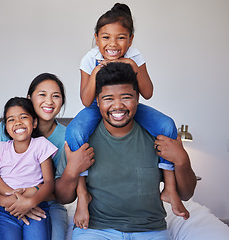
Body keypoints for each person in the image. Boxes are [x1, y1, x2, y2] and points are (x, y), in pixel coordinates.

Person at [65, 3, 189, 229]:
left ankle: (169, 188)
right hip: (97, 107)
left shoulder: (134, 56)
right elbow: (85, 100)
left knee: (167, 124)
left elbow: (148, 93)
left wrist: (132, 65)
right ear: (96, 38)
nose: (113, 44)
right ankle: (83, 194)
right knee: (73, 131)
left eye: (120, 38)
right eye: (105, 37)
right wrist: (96, 71)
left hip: (131, 105)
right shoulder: (89, 59)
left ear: (130, 39)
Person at [56, 62, 197, 240]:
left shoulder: (158, 136)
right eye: (108, 99)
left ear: (137, 98)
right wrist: (72, 171)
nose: (118, 106)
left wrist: (183, 161)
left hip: (150, 229)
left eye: (126, 97)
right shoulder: (81, 139)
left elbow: (186, 194)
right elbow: (62, 198)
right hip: (95, 229)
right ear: (97, 101)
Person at [0, 73, 92, 240]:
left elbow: (62, 194)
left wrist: (32, 197)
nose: (49, 101)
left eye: (56, 96)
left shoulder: (66, 137)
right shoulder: (7, 127)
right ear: (29, 98)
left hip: (47, 203)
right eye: (42, 94)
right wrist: (16, 199)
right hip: (5, 201)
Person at [0, 97, 57, 239]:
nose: (18, 123)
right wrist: (7, 202)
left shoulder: (41, 145)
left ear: (34, 122)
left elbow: (49, 183)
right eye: (11, 119)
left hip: (37, 206)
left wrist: (30, 202)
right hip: (6, 210)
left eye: (23, 117)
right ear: (6, 127)